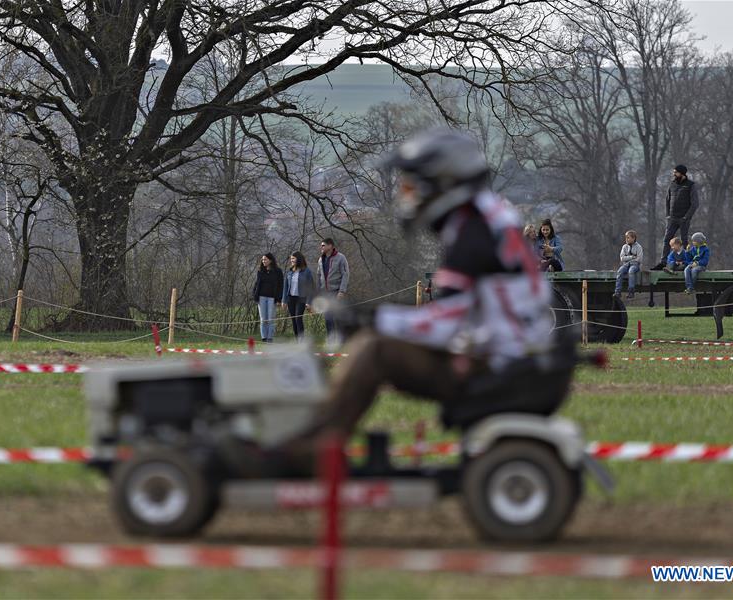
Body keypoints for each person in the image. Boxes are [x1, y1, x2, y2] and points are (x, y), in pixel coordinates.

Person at [222, 129, 555, 476]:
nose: (406, 194)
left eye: (413, 184)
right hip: (513, 351)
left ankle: (312, 447)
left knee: (375, 350)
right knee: (376, 342)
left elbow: (446, 324)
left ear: (444, 181)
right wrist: (378, 317)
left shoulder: (473, 233)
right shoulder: (489, 218)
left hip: (498, 361)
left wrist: (373, 320)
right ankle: (316, 439)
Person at [653, 164, 700, 270]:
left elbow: (695, 204)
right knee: (666, 240)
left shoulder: (690, 185)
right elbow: (667, 200)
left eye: (676, 172)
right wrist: (668, 216)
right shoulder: (672, 184)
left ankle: (688, 262)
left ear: (682, 173)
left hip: (684, 219)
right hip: (672, 219)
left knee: (685, 241)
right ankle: (663, 262)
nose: (674, 174)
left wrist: (686, 217)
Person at [315, 237, 349, 345]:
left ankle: (341, 340)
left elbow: (345, 274)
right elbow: (318, 275)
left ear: (330, 246)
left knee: (338, 317)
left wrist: (342, 291)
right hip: (325, 293)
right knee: (328, 318)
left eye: (323, 245)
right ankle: (331, 341)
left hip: (336, 291)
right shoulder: (321, 259)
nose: (321, 247)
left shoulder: (341, 258)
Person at [282, 251, 315, 340]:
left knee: (298, 319)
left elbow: (311, 288)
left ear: (298, 259)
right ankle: (297, 340)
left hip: (301, 299)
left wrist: (309, 302)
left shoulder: (306, 271)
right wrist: (284, 301)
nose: (291, 260)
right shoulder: (289, 271)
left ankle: (301, 341)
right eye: (291, 258)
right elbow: (285, 287)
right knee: (293, 320)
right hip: (290, 299)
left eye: (293, 258)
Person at [252, 253, 284, 343]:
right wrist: (254, 294)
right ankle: (264, 338)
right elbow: (257, 284)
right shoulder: (260, 271)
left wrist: (279, 299)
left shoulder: (278, 271)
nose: (263, 261)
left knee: (271, 318)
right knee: (263, 319)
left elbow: (281, 286)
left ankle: (270, 338)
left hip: (272, 298)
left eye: (265, 259)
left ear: (270, 260)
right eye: (262, 260)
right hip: (261, 297)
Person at [614, 230, 643, 299]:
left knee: (631, 271)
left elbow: (639, 259)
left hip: (635, 265)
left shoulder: (639, 247)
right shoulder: (624, 247)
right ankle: (618, 291)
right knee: (620, 271)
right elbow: (622, 258)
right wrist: (632, 257)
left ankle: (631, 291)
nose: (626, 239)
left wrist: (629, 259)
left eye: (628, 237)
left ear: (633, 238)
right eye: (626, 237)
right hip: (626, 264)